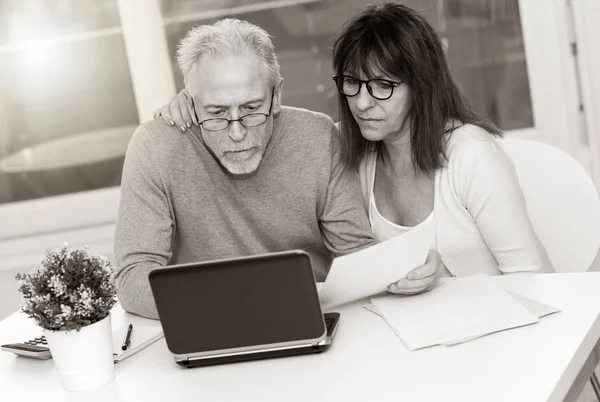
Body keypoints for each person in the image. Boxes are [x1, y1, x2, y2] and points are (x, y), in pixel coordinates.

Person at [157, 4, 553, 277]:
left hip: (499, 344)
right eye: (352, 83)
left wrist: (446, 282)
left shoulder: (471, 155)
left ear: (422, 85)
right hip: (413, 349)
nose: (362, 102)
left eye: (383, 85)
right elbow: (266, 110)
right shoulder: (354, 157)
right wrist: (196, 104)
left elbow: (538, 281)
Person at [115, 18, 443, 320]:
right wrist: (236, 307)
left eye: (251, 108)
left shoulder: (319, 137)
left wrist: (405, 269)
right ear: (190, 100)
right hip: (208, 323)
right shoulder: (156, 146)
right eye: (216, 112)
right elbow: (133, 276)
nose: (236, 131)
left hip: (306, 319)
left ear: (277, 95)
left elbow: (356, 252)